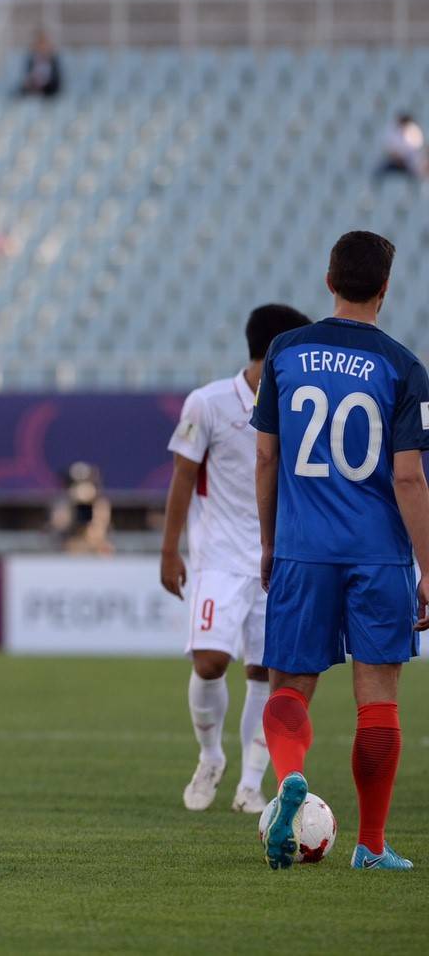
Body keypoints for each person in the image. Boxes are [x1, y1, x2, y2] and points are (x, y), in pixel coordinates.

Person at [252, 230, 429, 872]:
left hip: (304, 549)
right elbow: (409, 477)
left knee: (290, 689)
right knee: (377, 700)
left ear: (329, 279)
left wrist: (272, 542)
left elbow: (266, 456)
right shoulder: (405, 367)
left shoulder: (284, 352)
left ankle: (291, 779)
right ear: (386, 287)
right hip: (378, 554)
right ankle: (372, 846)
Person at [161, 304, 312, 815]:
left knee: (266, 673)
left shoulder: (301, 408)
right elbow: (183, 475)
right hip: (218, 559)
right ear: (276, 352)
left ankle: (251, 783)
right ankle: (210, 757)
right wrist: (169, 549)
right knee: (209, 662)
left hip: (278, 557)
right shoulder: (208, 403)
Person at [49, 461, 114, 554]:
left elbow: (98, 534)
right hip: (67, 550)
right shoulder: (62, 503)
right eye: (74, 486)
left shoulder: (99, 504)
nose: (81, 491)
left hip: (94, 552)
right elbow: (59, 528)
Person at [375, 113, 424, 182]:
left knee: (416, 174)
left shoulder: (414, 132)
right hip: (394, 161)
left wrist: (403, 158)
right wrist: (396, 157)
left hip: (409, 163)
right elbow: (389, 149)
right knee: (379, 171)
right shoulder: (392, 130)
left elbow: (415, 152)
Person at [20, 30, 62, 98]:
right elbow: (28, 76)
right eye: (39, 44)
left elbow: (56, 81)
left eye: (43, 44)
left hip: (49, 90)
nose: (41, 47)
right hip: (33, 87)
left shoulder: (54, 61)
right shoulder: (31, 60)